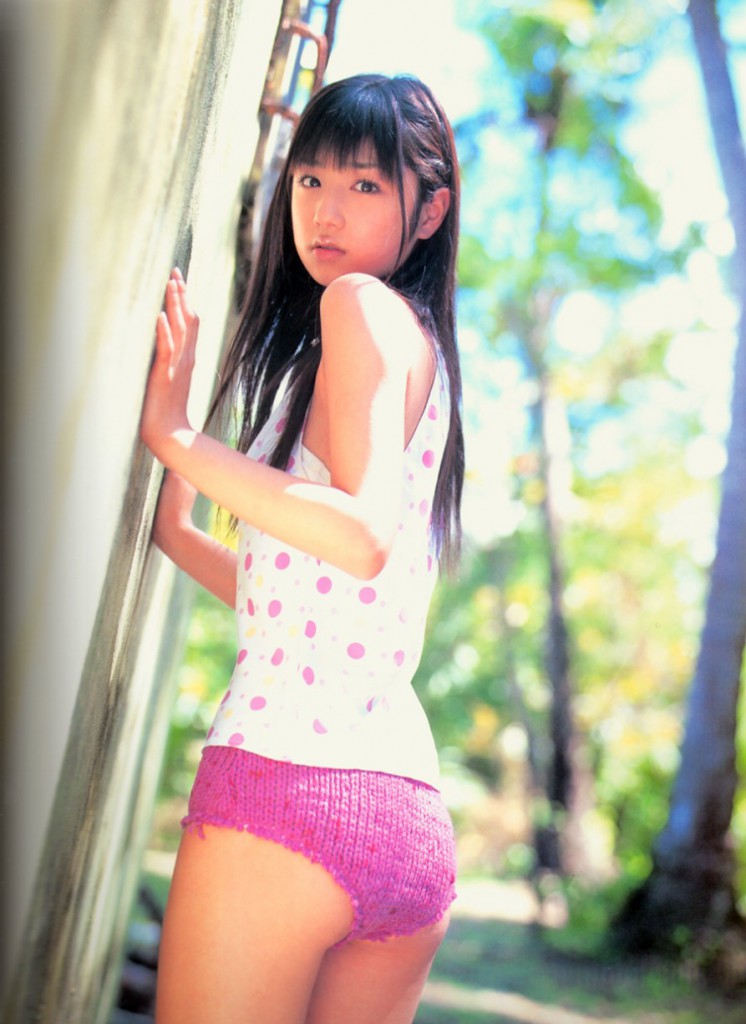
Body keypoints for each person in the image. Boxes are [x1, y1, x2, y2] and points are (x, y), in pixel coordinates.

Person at [140, 72, 465, 1024]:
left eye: (365, 185)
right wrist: (179, 512)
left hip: (287, 787)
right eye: (311, 179)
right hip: (406, 814)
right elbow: (301, 587)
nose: (325, 210)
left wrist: (176, 438)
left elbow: (359, 538)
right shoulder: (419, 350)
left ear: (430, 209)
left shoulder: (359, 304)